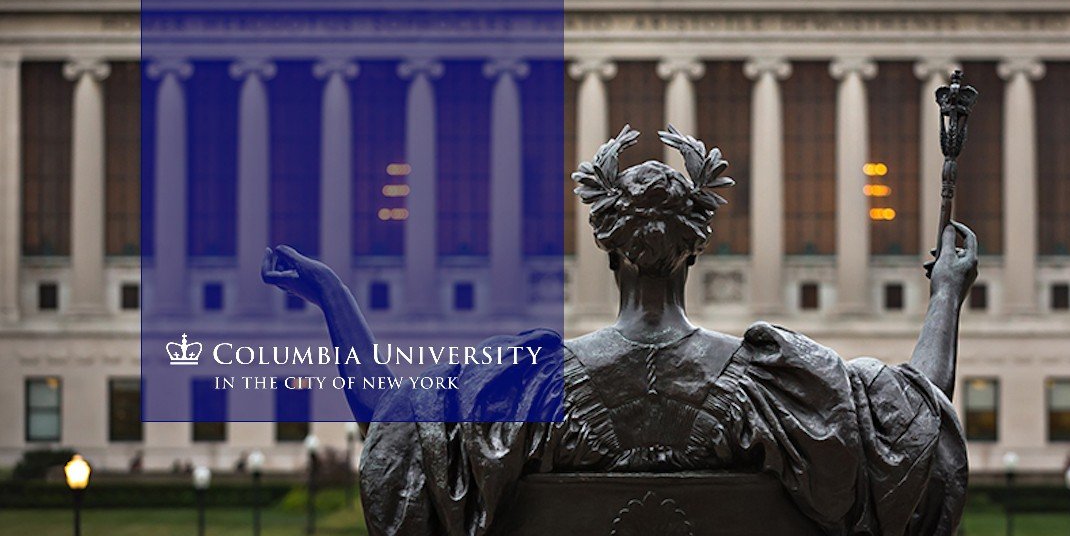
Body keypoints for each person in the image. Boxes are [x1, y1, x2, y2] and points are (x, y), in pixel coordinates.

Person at [263, 125, 978, 536]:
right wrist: (946, 293)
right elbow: (913, 438)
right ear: (697, 250)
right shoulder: (775, 386)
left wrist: (333, 299)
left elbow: (393, 436)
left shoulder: (529, 388)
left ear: (605, 248)